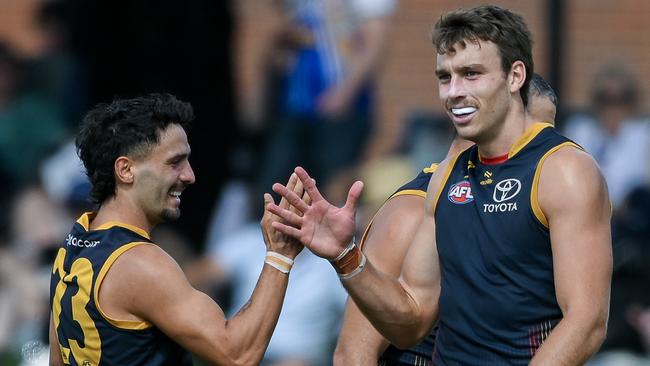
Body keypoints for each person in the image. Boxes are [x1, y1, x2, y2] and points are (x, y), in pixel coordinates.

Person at [267, 5, 612, 365]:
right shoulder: (445, 179)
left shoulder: (565, 170)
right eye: (445, 78)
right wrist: (346, 257)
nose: (454, 92)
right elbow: (409, 323)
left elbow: (586, 322)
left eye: (471, 74)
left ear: (515, 78)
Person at [48, 93, 306, 365]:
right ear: (125, 170)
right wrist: (280, 255)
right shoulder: (139, 263)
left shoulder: (73, 245)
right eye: (175, 162)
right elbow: (237, 354)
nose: (189, 176)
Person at [333, 73, 559, 366]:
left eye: (549, 135)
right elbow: (352, 355)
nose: (545, 149)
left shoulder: (530, 207)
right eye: (531, 135)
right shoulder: (411, 213)